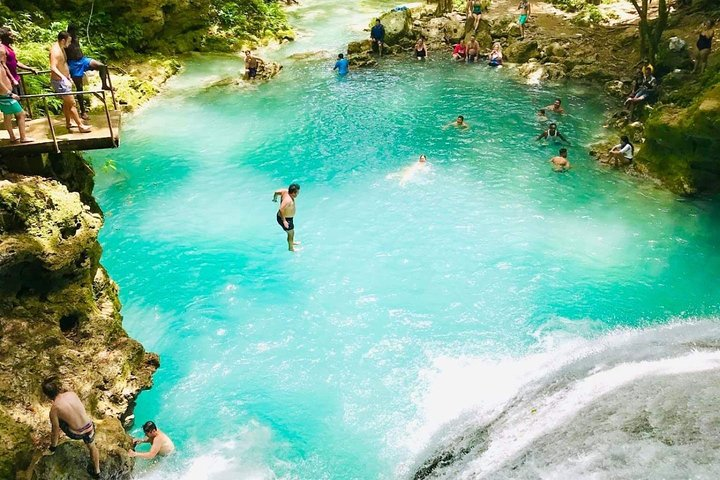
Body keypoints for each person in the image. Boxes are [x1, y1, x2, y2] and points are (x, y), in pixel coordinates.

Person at [42, 377, 101, 479]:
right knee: (92, 446)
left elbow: (55, 431)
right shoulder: (71, 394)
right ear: (58, 388)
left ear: (47, 396)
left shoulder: (54, 409)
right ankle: (97, 472)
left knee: (57, 421)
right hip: (90, 427)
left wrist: (52, 448)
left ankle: (55, 446)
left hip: (77, 433)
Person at [65, 25, 112, 119]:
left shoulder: (75, 37)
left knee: (102, 66)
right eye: (73, 31)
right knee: (79, 88)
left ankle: (104, 84)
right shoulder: (65, 40)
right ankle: (83, 112)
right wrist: (65, 69)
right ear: (69, 31)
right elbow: (63, 55)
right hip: (74, 64)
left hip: (83, 60)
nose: (74, 33)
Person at [50, 31, 91, 133]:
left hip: (64, 79)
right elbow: (53, 67)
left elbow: (63, 64)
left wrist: (68, 76)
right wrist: (63, 78)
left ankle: (68, 122)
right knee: (72, 103)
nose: (69, 44)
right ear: (63, 40)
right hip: (60, 81)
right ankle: (81, 126)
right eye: (68, 42)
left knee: (67, 103)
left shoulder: (61, 48)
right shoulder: (55, 51)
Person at [0, 54, 32, 143]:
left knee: (7, 115)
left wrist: (13, 80)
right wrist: (10, 94)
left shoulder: (2, 64)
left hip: (4, 95)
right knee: (21, 114)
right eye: (3, 55)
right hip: (6, 96)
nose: (5, 56)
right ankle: (23, 137)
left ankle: (12, 137)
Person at [0, 27, 38, 97]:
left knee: (21, 98)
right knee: (14, 101)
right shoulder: (2, 49)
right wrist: (12, 79)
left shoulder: (9, 47)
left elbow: (16, 62)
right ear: (5, 37)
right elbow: (3, 66)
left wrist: (30, 69)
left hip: (16, 78)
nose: (13, 37)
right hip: (10, 81)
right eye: (10, 36)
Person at [273, 183, 300, 252]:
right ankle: (291, 248)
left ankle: (291, 242)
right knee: (291, 233)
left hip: (288, 218)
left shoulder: (285, 191)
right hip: (285, 219)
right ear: (293, 193)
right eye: (297, 192)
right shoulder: (288, 200)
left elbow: (276, 192)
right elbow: (281, 209)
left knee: (291, 232)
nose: (298, 194)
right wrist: (284, 221)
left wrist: (274, 198)